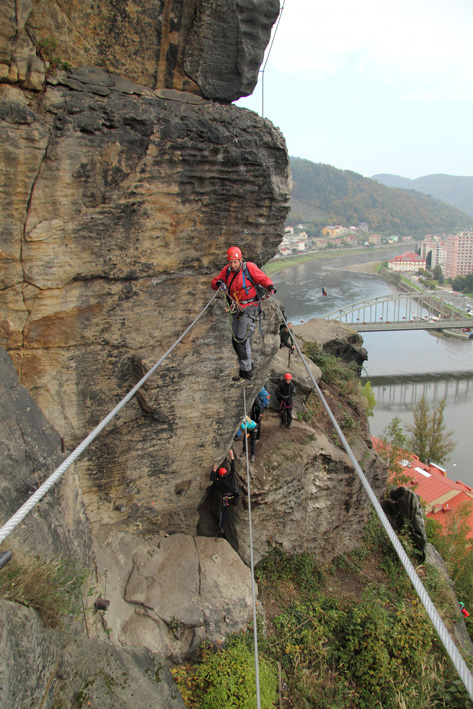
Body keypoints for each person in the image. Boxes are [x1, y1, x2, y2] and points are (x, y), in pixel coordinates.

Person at [211, 246, 277, 386]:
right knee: (236, 340)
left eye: (235, 262)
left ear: (240, 259)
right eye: (231, 262)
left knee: (241, 340)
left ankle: (247, 375)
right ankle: (246, 371)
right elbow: (214, 282)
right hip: (236, 308)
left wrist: (270, 286)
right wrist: (219, 283)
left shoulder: (249, 267)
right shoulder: (227, 271)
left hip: (249, 308)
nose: (233, 265)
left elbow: (262, 278)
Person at [210, 449, 240, 533]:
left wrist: (214, 470)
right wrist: (232, 456)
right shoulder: (231, 475)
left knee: (223, 512)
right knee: (235, 495)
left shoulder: (221, 480)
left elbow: (212, 478)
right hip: (232, 495)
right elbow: (233, 468)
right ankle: (234, 502)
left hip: (226, 498)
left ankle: (220, 527)